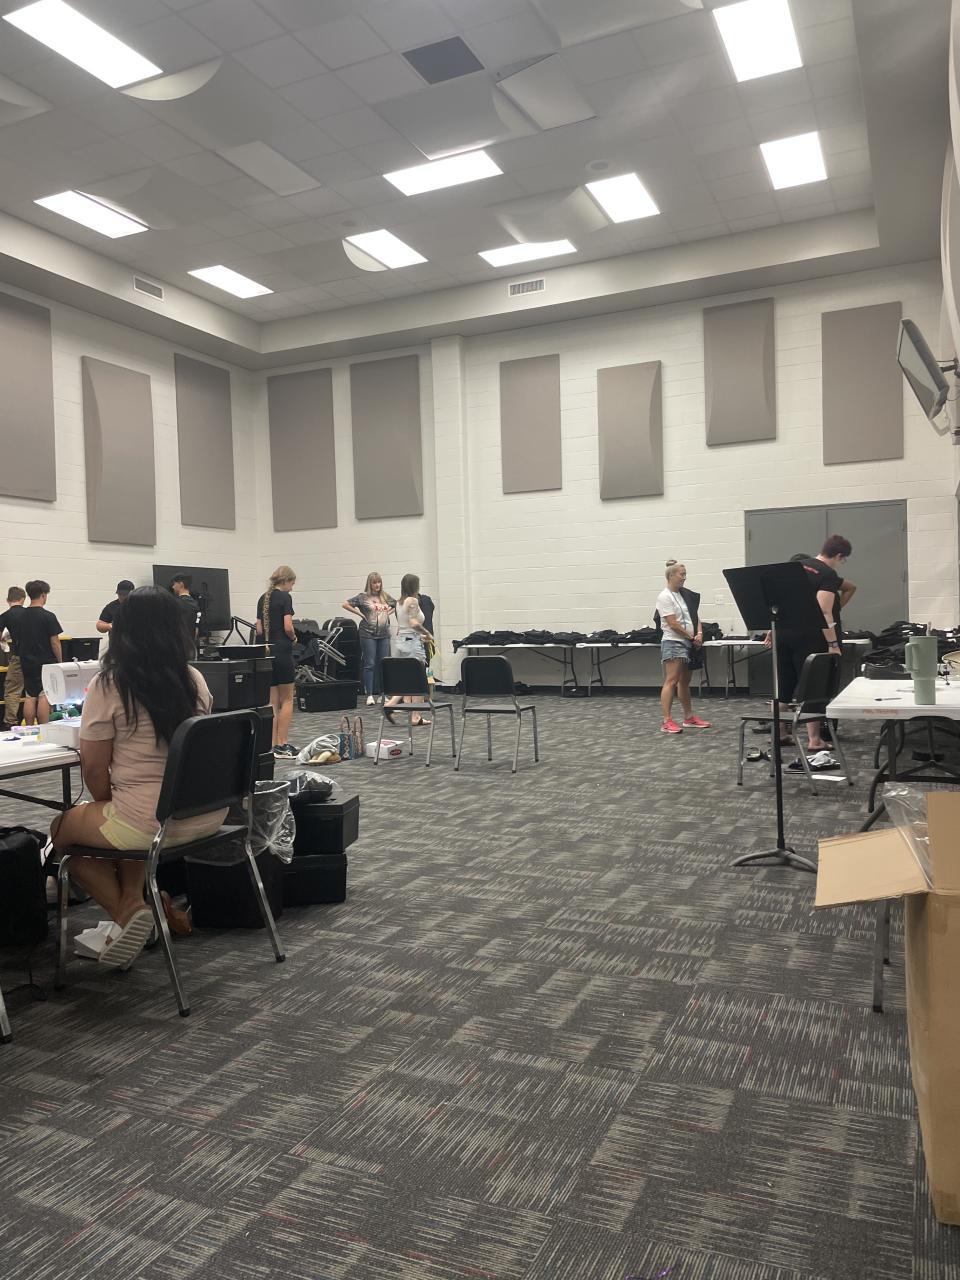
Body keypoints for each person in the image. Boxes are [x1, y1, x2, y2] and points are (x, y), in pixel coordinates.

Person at [50, 587, 225, 969]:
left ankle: (128, 913)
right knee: (122, 817)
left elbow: (93, 768)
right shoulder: (194, 679)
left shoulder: (110, 684)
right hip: (206, 814)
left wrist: (105, 804)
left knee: (62, 834)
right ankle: (138, 897)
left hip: (150, 822)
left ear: (122, 631)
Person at [772, 535, 855, 762]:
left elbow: (778, 603)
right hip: (809, 637)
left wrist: (772, 630)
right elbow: (824, 612)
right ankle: (814, 739)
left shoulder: (796, 567)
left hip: (783, 633)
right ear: (839, 556)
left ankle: (780, 734)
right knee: (813, 688)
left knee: (784, 685)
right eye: (843, 560)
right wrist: (833, 644)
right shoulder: (827, 574)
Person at [655, 561, 711, 735]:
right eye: (682, 574)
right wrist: (691, 637)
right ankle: (666, 721)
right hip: (674, 642)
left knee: (684, 682)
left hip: (688, 642)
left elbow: (695, 617)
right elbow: (672, 624)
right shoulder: (664, 597)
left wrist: (699, 633)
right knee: (671, 680)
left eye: (685, 574)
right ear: (671, 575)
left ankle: (689, 717)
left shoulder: (684, 595)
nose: (684, 578)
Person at [256, 565, 297, 757]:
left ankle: (271, 745)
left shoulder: (262, 598)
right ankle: (282, 743)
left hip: (266, 653)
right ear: (286, 581)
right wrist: (294, 637)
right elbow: (288, 626)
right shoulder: (285, 598)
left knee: (271, 701)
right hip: (282, 651)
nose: (292, 588)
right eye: (292, 583)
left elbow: (259, 629)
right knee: (287, 699)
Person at [384, 573, 433, 726]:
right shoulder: (412, 601)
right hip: (412, 643)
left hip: (401, 641)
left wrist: (420, 636)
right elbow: (413, 623)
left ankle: (391, 704)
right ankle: (415, 716)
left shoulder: (398, 603)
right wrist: (427, 633)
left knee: (408, 679)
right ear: (415, 586)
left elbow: (404, 626)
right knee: (418, 679)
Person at [342, 572, 396, 705]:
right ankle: (370, 694)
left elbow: (397, 604)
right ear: (369, 584)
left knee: (384, 663)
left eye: (379, 582)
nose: (377, 585)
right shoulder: (363, 597)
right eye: (374, 582)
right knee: (370, 663)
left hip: (384, 634)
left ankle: (383, 694)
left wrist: (388, 613)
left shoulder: (385, 596)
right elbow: (346, 604)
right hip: (368, 634)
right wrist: (360, 614)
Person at [17, 580, 62, 726]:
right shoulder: (48, 616)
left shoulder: (21, 617)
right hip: (45, 661)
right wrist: (60, 661)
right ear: (43, 595)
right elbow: (55, 642)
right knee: (44, 694)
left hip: (26, 660)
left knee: (30, 695)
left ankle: (29, 728)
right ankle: (43, 728)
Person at [0, 586, 25, 730]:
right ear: (23, 599)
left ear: (7, 600)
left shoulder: (5, 616)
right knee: (35, 692)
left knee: (12, 690)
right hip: (38, 657)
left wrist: (5, 641)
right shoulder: (30, 614)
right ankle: (40, 720)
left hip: (18, 656)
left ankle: (10, 722)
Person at [169, 575, 200, 644]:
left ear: (181, 584)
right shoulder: (196, 604)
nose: (173, 587)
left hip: (178, 644)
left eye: (174, 584)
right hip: (191, 645)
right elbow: (197, 629)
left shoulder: (174, 603)